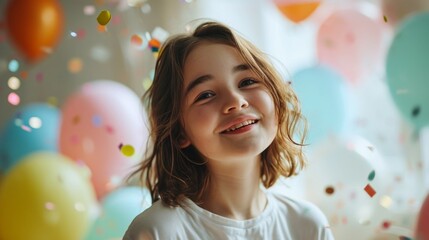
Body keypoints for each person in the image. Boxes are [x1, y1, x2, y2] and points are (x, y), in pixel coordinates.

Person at [123, 21, 334, 240]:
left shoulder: (307, 226)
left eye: (247, 81)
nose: (236, 101)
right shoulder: (157, 232)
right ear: (179, 132)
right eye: (205, 95)